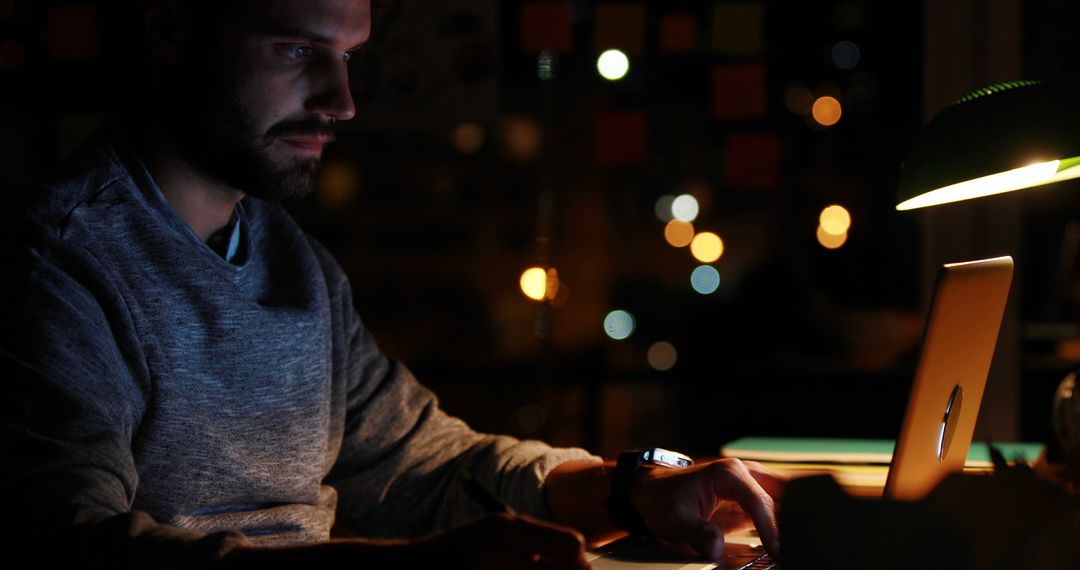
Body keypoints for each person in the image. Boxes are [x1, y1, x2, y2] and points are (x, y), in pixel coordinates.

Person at [0, 0, 784, 567]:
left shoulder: (295, 263)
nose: (340, 102)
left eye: (350, 58)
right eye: (297, 52)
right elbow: (66, 542)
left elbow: (421, 464)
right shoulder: (58, 264)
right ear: (169, 27)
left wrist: (627, 490)